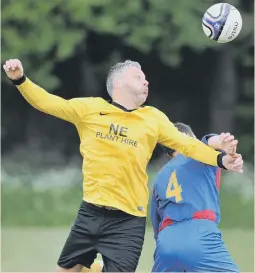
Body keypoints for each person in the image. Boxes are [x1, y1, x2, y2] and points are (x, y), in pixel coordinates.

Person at [3, 59, 243, 272]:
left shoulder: (153, 118)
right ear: (118, 84)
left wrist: (221, 160)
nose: (146, 81)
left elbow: (187, 144)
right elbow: (47, 103)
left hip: (128, 222)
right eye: (138, 77)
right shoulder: (90, 110)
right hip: (91, 212)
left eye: (146, 78)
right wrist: (20, 80)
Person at [151, 122, 241, 272]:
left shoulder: (159, 177)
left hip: (166, 241)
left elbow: (156, 224)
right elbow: (209, 142)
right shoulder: (199, 154)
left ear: (168, 152)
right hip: (199, 232)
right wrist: (222, 142)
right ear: (191, 139)